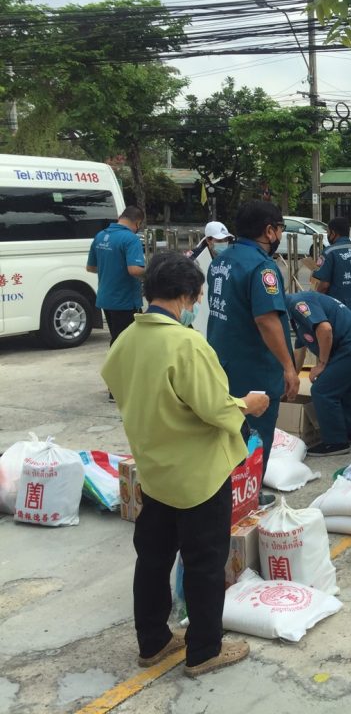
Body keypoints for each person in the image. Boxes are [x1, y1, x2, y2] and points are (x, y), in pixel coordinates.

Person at [101, 252, 270, 678]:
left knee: (153, 559)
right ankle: (204, 651)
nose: (196, 304)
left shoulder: (126, 340)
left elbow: (120, 384)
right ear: (184, 295)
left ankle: (153, 641)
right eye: (196, 297)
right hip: (199, 475)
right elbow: (215, 409)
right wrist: (248, 404)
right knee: (205, 563)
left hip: (155, 470)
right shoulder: (187, 343)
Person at [206, 201, 299, 506]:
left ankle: (223, 493)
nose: (280, 236)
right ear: (269, 231)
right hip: (255, 367)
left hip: (222, 361)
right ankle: (247, 496)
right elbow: (267, 320)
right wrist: (289, 367)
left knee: (226, 432)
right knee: (255, 434)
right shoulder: (262, 268)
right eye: (280, 229)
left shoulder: (221, 260)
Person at [285, 291, 351, 456]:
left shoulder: (297, 304)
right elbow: (299, 352)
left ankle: (335, 442)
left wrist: (322, 364)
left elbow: (325, 329)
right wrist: (292, 379)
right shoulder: (295, 317)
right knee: (347, 386)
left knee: (322, 390)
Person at [86, 204, 146, 352]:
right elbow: (134, 270)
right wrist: (153, 273)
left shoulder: (100, 236)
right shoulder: (131, 239)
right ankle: (119, 366)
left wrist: (111, 268)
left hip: (106, 299)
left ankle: (115, 363)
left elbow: (91, 267)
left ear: (120, 218)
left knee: (116, 338)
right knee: (127, 343)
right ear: (137, 223)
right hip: (125, 301)